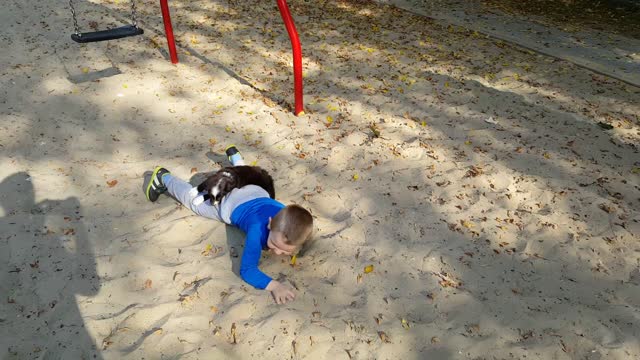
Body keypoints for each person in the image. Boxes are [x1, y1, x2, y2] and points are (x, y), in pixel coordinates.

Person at [144, 146, 313, 304]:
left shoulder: (285, 216)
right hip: (227, 203)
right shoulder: (257, 230)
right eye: (274, 245)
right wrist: (274, 285)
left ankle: (237, 162)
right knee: (193, 201)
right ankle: (163, 178)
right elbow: (247, 270)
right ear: (269, 224)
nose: (277, 251)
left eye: (285, 251)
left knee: (244, 175)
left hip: (254, 188)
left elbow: (299, 227)